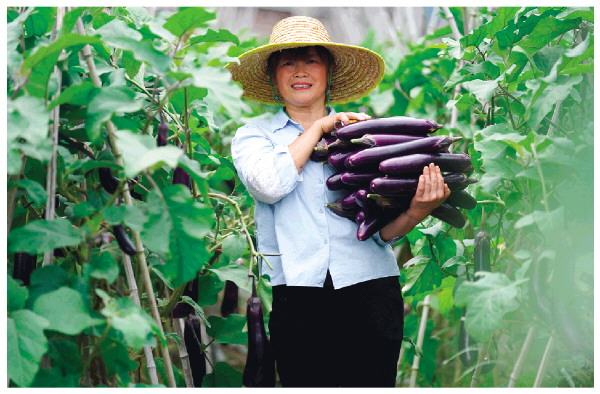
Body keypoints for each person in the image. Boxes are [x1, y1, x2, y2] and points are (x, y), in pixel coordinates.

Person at [227, 16, 450, 387]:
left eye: (312, 60)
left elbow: (381, 233)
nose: (300, 71)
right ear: (272, 74)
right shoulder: (255, 137)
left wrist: (416, 210)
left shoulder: (365, 136)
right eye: (287, 62)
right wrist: (318, 128)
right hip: (299, 296)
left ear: (329, 72)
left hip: (372, 292)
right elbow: (267, 185)